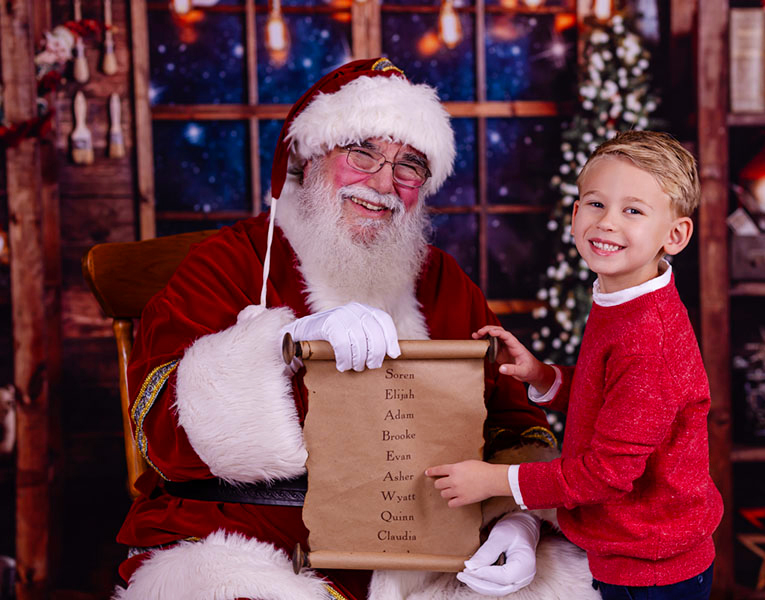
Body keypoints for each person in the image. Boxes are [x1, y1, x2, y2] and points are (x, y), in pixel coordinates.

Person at [111, 58, 596, 600]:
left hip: (423, 549)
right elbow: (158, 433)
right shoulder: (230, 261)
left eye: (408, 165)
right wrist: (282, 345)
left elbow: (511, 416)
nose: (383, 184)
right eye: (362, 152)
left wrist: (519, 519)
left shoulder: (443, 280)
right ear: (312, 156)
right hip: (247, 541)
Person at [427, 131, 725, 600]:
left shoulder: (650, 338)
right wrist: (542, 376)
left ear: (675, 234)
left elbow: (607, 474)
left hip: (650, 568)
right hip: (631, 545)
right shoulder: (621, 296)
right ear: (574, 215)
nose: (607, 223)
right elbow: (615, 397)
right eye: (595, 204)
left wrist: (495, 480)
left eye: (633, 210)